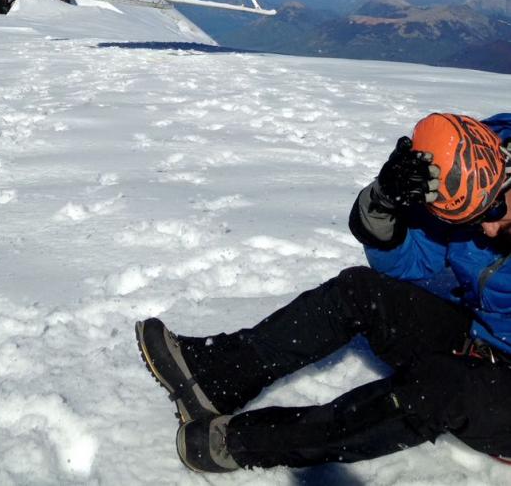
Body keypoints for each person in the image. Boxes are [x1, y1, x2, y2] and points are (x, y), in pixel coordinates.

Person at [136, 111, 511, 473]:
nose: (488, 231)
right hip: (479, 342)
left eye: (495, 210)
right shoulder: (483, 159)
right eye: (478, 219)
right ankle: (216, 377)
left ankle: (243, 443)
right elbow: (413, 263)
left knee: (438, 388)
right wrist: (383, 203)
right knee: (359, 292)